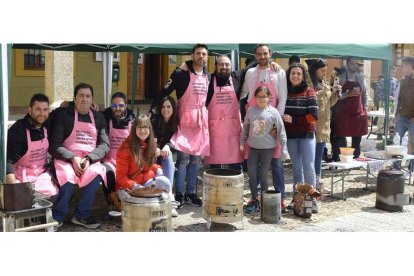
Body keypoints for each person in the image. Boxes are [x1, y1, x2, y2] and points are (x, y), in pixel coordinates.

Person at [149, 44, 210, 208]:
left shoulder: (208, 76)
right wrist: (153, 110)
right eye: (198, 54)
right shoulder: (180, 74)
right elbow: (164, 91)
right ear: (192, 55)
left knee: (196, 161)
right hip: (184, 120)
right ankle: (180, 193)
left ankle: (191, 193)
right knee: (182, 160)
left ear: (207, 57)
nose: (201, 57)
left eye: (204, 54)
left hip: (200, 122)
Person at [49, 83, 109, 230]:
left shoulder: (99, 117)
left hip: (89, 159)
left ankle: (82, 214)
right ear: (74, 98)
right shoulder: (64, 115)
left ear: (92, 100)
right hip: (67, 158)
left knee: (97, 172)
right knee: (68, 179)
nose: (84, 99)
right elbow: (54, 144)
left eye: (88, 96)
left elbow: (104, 144)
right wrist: (72, 158)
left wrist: (89, 158)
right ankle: (57, 216)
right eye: (81, 95)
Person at [241, 44, 288, 211]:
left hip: (272, 121)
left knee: (276, 164)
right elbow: (244, 92)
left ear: (270, 54)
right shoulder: (250, 73)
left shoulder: (279, 72)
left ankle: (279, 197)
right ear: (255, 55)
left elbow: (282, 97)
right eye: (259, 54)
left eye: (265, 53)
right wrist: (245, 110)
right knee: (255, 169)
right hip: (254, 120)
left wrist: (276, 118)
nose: (262, 56)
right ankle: (257, 198)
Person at [282, 63, 319, 213]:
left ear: (303, 76)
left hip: (306, 135)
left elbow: (314, 117)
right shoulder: (285, 92)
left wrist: (294, 120)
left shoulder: (310, 92)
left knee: (309, 166)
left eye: (298, 73)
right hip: (291, 136)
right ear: (288, 76)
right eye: (293, 73)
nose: (295, 76)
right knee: (297, 167)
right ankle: (297, 198)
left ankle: (312, 199)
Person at [6, 93, 58, 197]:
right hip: (20, 176)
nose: (42, 113)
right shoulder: (18, 130)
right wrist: (12, 189)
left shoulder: (46, 123)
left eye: (45, 110)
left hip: (40, 174)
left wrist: (68, 103)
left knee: (53, 192)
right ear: (30, 110)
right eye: (38, 109)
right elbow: (8, 161)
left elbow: (64, 110)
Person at [115, 114, 172, 204]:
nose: (142, 131)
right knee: (144, 202)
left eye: (145, 127)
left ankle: (167, 204)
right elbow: (120, 177)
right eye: (139, 127)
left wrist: (157, 169)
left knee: (165, 182)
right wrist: (136, 187)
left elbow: (147, 165)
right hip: (127, 187)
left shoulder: (150, 144)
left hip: (145, 183)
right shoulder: (125, 148)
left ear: (150, 129)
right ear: (134, 129)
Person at [307, 59, 341, 194]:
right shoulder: (309, 83)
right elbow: (311, 99)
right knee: (312, 158)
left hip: (324, 126)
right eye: (322, 71)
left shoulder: (324, 82)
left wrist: (335, 94)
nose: (324, 74)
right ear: (315, 70)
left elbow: (329, 103)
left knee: (319, 157)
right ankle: (311, 183)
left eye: (325, 71)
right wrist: (323, 92)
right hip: (312, 126)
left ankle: (317, 181)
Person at [101, 92, 135, 212]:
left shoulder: (132, 119)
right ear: (111, 106)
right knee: (108, 172)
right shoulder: (105, 116)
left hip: (126, 159)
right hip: (109, 159)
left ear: (125, 106)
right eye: (114, 106)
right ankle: (112, 201)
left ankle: (128, 203)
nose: (117, 108)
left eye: (120, 105)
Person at [331, 57, 368, 160]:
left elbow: (364, 94)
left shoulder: (361, 79)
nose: (354, 66)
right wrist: (347, 94)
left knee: (357, 140)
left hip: (358, 113)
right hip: (343, 114)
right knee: (340, 139)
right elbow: (334, 96)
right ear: (347, 64)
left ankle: (355, 159)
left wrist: (365, 108)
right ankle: (340, 159)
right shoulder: (340, 78)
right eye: (352, 63)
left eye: (356, 64)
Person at [151, 96, 179, 216]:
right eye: (163, 107)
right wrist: (155, 147)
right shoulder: (154, 121)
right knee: (160, 171)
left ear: (173, 108)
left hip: (168, 156)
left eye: (168, 106)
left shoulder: (177, 122)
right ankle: (166, 198)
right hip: (153, 155)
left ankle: (169, 197)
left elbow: (178, 140)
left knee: (168, 156)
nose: (165, 109)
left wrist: (168, 146)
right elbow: (149, 138)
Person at [395, 56, 414, 171]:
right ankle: (395, 169)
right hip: (401, 117)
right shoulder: (402, 80)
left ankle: (411, 170)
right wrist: (396, 113)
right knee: (396, 144)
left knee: (412, 144)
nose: (402, 68)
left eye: (404, 65)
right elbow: (398, 98)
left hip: (413, 118)